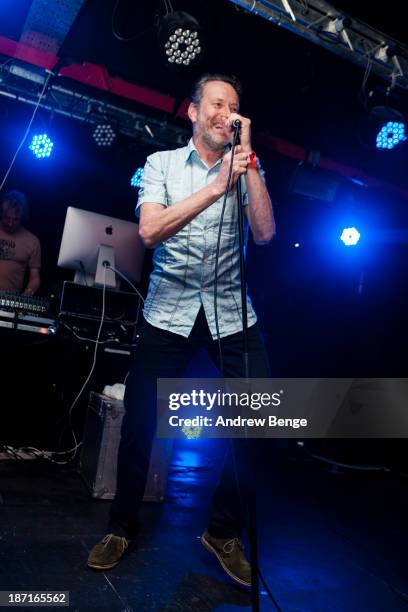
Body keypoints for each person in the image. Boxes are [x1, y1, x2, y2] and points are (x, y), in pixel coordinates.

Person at [87, 74, 275, 588]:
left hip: (231, 314)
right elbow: (149, 232)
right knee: (141, 421)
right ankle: (122, 526)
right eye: (217, 104)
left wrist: (251, 164)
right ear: (193, 112)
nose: (227, 113)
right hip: (168, 310)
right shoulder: (161, 165)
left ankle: (223, 531)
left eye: (235, 107)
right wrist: (217, 187)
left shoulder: (248, 165)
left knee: (261, 419)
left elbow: (264, 233)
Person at [0, 191, 41, 295]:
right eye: (7, 218)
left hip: (9, 301)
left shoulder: (32, 241)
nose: (10, 223)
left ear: (22, 217)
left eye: (15, 219)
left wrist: (29, 291)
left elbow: (34, 278)